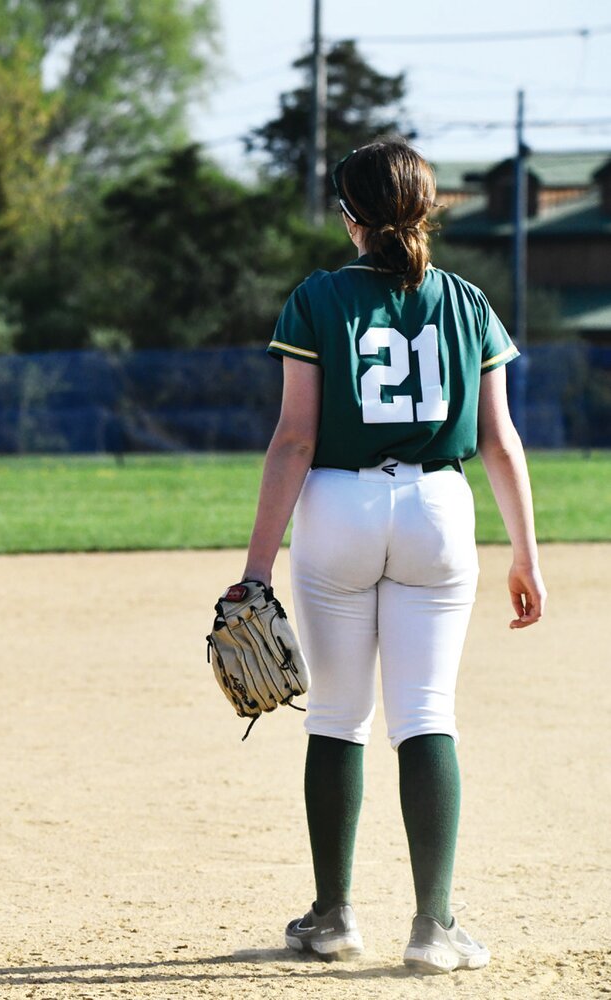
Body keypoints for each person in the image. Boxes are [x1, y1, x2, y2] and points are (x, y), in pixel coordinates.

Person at [240, 136, 546, 975]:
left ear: (351, 220)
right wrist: (526, 552)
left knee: (338, 715)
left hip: (338, 506)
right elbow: (499, 439)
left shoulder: (316, 298)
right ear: (429, 210)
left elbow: (294, 438)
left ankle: (334, 917)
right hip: (439, 511)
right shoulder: (468, 302)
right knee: (427, 712)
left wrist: (255, 569)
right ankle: (433, 927)